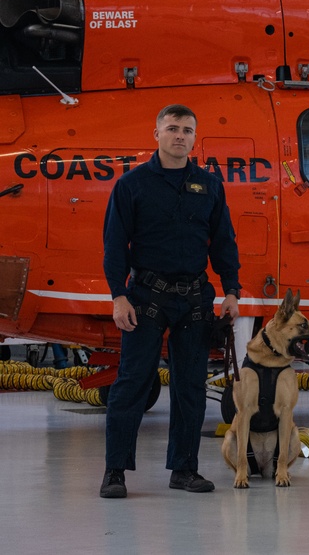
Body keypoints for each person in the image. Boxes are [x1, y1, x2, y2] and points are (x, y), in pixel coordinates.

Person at [100, 104, 241, 498]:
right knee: (131, 383)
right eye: (173, 128)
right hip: (145, 297)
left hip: (195, 298)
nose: (180, 136)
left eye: (187, 130)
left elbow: (224, 241)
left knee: (190, 388)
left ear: (195, 137)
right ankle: (115, 472)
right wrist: (118, 296)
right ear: (157, 133)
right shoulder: (132, 185)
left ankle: (184, 469)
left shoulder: (210, 185)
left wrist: (231, 290)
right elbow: (114, 245)